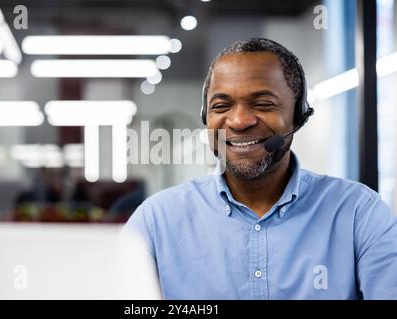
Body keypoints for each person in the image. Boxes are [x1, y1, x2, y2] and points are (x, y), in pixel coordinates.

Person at [124, 38, 397, 299]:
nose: (239, 121)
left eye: (263, 104)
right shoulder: (156, 221)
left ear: (298, 116)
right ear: (206, 116)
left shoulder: (359, 214)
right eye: (221, 106)